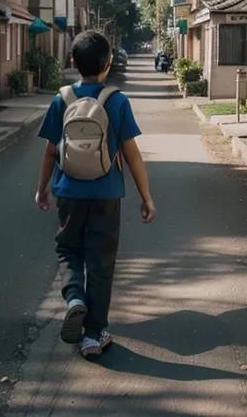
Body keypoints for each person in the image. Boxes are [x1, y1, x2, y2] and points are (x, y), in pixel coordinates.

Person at [35, 30, 156, 359]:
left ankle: (75, 298)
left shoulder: (61, 100)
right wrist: (146, 197)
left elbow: (49, 152)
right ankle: (93, 334)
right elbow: (132, 155)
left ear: (72, 63)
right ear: (108, 64)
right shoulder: (117, 101)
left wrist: (42, 189)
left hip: (68, 191)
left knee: (68, 249)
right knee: (101, 261)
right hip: (107, 192)